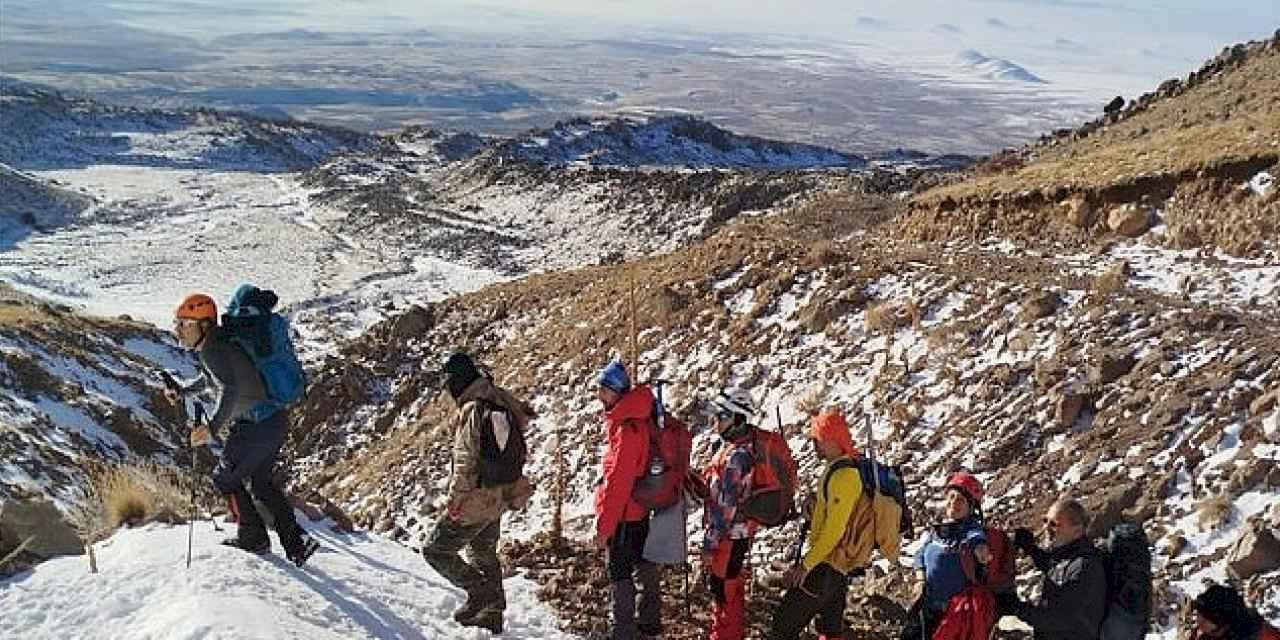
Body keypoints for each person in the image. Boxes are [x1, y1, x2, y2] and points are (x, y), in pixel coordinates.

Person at [169, 292, 319, 566]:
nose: (178, 330)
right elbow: (212, 379)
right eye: (177, 323)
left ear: (203, 325)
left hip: (254, 427)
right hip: (273, 421)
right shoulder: (216, 345)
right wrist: (183, 390)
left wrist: (212, 428)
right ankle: (297, 543)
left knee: (225, 478)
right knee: (261, 484)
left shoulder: (213, 349)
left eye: (184, 324)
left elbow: (230, 387)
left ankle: (253, 538)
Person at [421, 352, 534, 634]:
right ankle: (492, 613)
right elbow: (525, 416)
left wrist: (456, 501)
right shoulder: (497, 396)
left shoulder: (473, 408)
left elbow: (465, 462)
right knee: (483, 551)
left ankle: (481, 593)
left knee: (435, 550)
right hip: (501, 492)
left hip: (477, 499)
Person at [769, 410, 865, 640]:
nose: (815, 444)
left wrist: (806, 566)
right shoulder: (838, 470)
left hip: (826, 564)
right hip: (837, 567)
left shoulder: (845, 477)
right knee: (830, 630)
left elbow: (834, 530)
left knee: (783, 624)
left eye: (818, 438)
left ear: (832, 440)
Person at [594, 360, 662, 640]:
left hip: (624, 514)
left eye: (604, 390)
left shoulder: (626, 429)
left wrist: (604, 526)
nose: (599, 395)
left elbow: (618, 483)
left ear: (617, 392)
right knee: (644, 562)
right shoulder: (639, 419)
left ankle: (622, 631)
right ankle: (649, 621)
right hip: (640, 508)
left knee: (620, 572)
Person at [902, 471, 992, 640]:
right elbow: (920, 555)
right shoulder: (937, 532)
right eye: (951, 497)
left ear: (971, 507)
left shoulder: (970, 530)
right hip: (927, 605)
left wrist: (980, 548)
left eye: (960, 500)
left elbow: (976, 538)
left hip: (954, 613)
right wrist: (920, 580)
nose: (953, 503)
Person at [1003, 498, 1108, 640]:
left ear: (1077, 531)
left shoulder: (1085, 567)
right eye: (1046, 520)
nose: (1046, 528)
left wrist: (1017, 608)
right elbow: (1055, 569)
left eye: (1054, 524)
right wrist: (1031, 549)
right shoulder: (1069, 554)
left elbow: (1059, 618)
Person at [702, 387, 760, 640]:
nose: (716, 422)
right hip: (739, 534)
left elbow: (726, 506)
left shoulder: (736, 457)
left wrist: (710, 543)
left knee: (723, 592)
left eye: (721, 416)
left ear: (738, 419)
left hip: (728, 537)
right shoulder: (742, 449)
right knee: (731, 592)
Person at [1190, 584, 1280, 640]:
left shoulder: (1261, 635)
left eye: (1205, 619)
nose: (1198, 621)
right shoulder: (1206, 634)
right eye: (1198, 614)